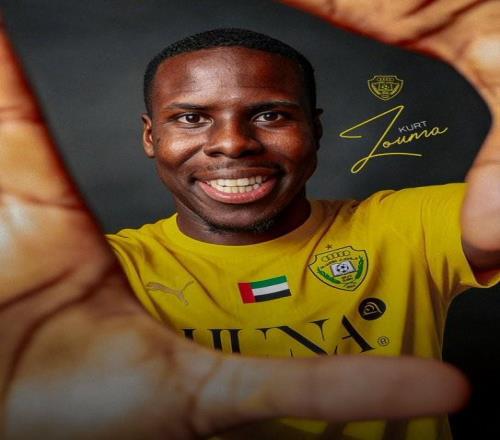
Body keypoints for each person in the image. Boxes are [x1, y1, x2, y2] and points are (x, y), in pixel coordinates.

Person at [0, 0, 498, 439]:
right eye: (191, 118)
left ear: (314, 129)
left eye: (270, 115)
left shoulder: (406, 228)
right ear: (151, 136)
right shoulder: (96, 273)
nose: (233, 143)